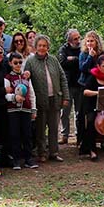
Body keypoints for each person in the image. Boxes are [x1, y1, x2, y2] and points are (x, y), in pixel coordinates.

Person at [24, 35, 70, 163]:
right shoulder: (30, 61)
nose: (42, 48)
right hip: (39, 100)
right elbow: (25, 81)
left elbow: (62, 78)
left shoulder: (54, 60)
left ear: (48, 47)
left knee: (54, 127)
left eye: (44, 46)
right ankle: (42, 153)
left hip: (55, 98)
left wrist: (65, 96)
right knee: (40, 128)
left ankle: (54, 152)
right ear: (36, 47)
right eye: (40, 45)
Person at [4, 52, 37, 170]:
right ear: (10, 63)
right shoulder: (8, 78)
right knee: (15, 134)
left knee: (27, 134)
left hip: (26, 109)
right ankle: (16, 159)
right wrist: (14, 97)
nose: (18, 65)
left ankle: (28, 159)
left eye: (20, 62)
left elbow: (31, 93)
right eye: (15, 63)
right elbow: (5, 95)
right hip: (13, 110)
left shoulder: (26, 77)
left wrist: (33, 109)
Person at [58, 28, 83, 144]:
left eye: (79, 37)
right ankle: (64, 134)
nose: (78, 40)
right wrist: (76, 60)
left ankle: (79, 134)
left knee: (79, 111)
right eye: (75, 39)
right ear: (69, 41)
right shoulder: (63, 49)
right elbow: (62, 63)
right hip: (67, 84)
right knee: (65, 112)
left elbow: (83, 63)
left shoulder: (83, 48)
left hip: (80, 84)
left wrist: (73, 59)